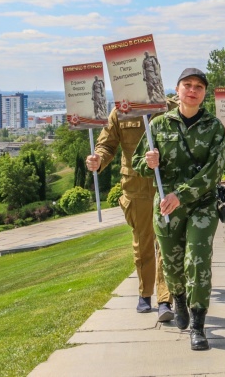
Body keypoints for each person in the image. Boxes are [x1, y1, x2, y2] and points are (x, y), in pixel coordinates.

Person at [133, 68, 225, 351]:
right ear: (177, 89)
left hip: (201, 205)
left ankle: (198, 325)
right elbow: (138, 164)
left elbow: (213, 172)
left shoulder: (214, 127)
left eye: (199, 86)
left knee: (197, 259)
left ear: (204, 93)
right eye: (188, 85)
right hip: (166, 208)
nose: (193, 90)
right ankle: (179, 298)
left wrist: (181, 194)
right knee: (173, 266)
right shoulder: (158, 125)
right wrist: (148, 162)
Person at [87, 104, 174, 322]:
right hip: (135, 188)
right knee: (142, 243)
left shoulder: (170, 108)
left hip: (166, 186)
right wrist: (98, 159)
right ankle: (145, 294)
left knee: (167, 242)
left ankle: (165, 299)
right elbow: (107, 145)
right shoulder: (120, 112)